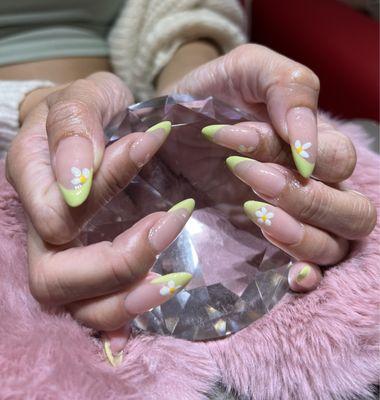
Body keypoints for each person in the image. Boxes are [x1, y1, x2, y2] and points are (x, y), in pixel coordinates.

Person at [0, 0, 376, 364]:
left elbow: (186, 10)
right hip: (46, 161)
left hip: (134, 130)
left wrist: (191, 92)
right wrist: (32, 109)